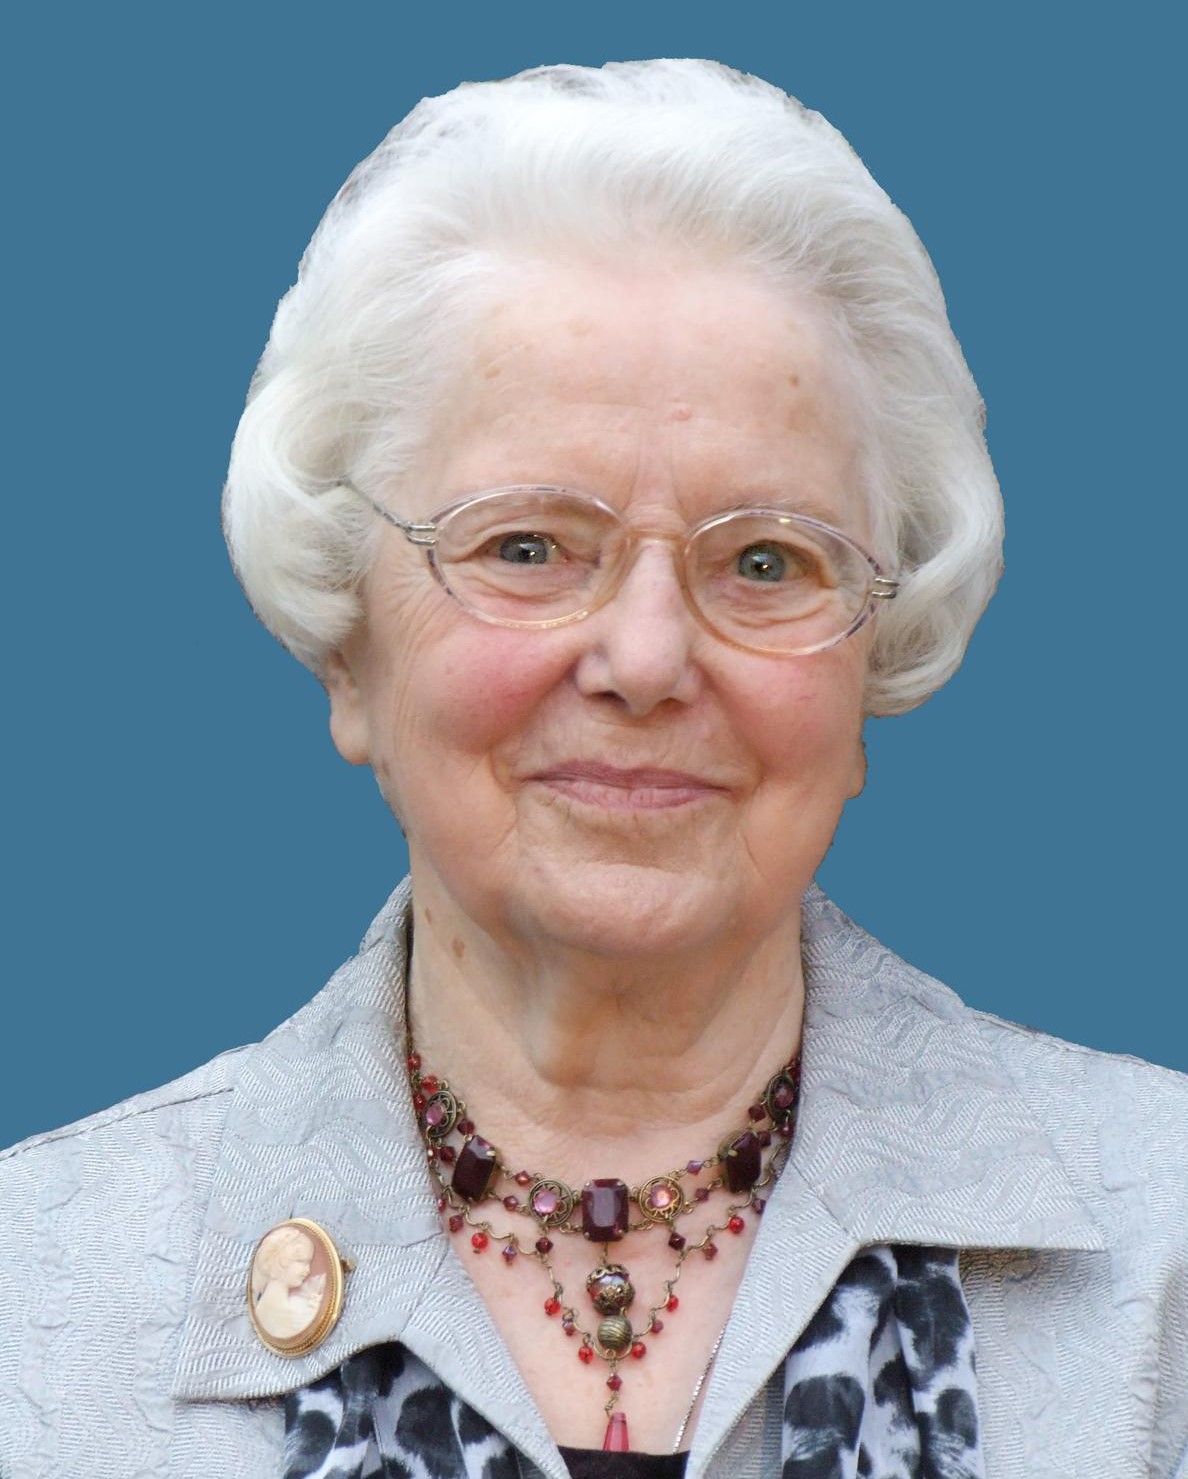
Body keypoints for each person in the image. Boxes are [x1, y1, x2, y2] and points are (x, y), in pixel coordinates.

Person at [1, 57, 1185, 1479]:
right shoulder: (37, 1295)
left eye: (767, 561)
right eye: (527, 546)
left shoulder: (1163, 1253)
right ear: (347, 647)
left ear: (877, 652)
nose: (646, 656)